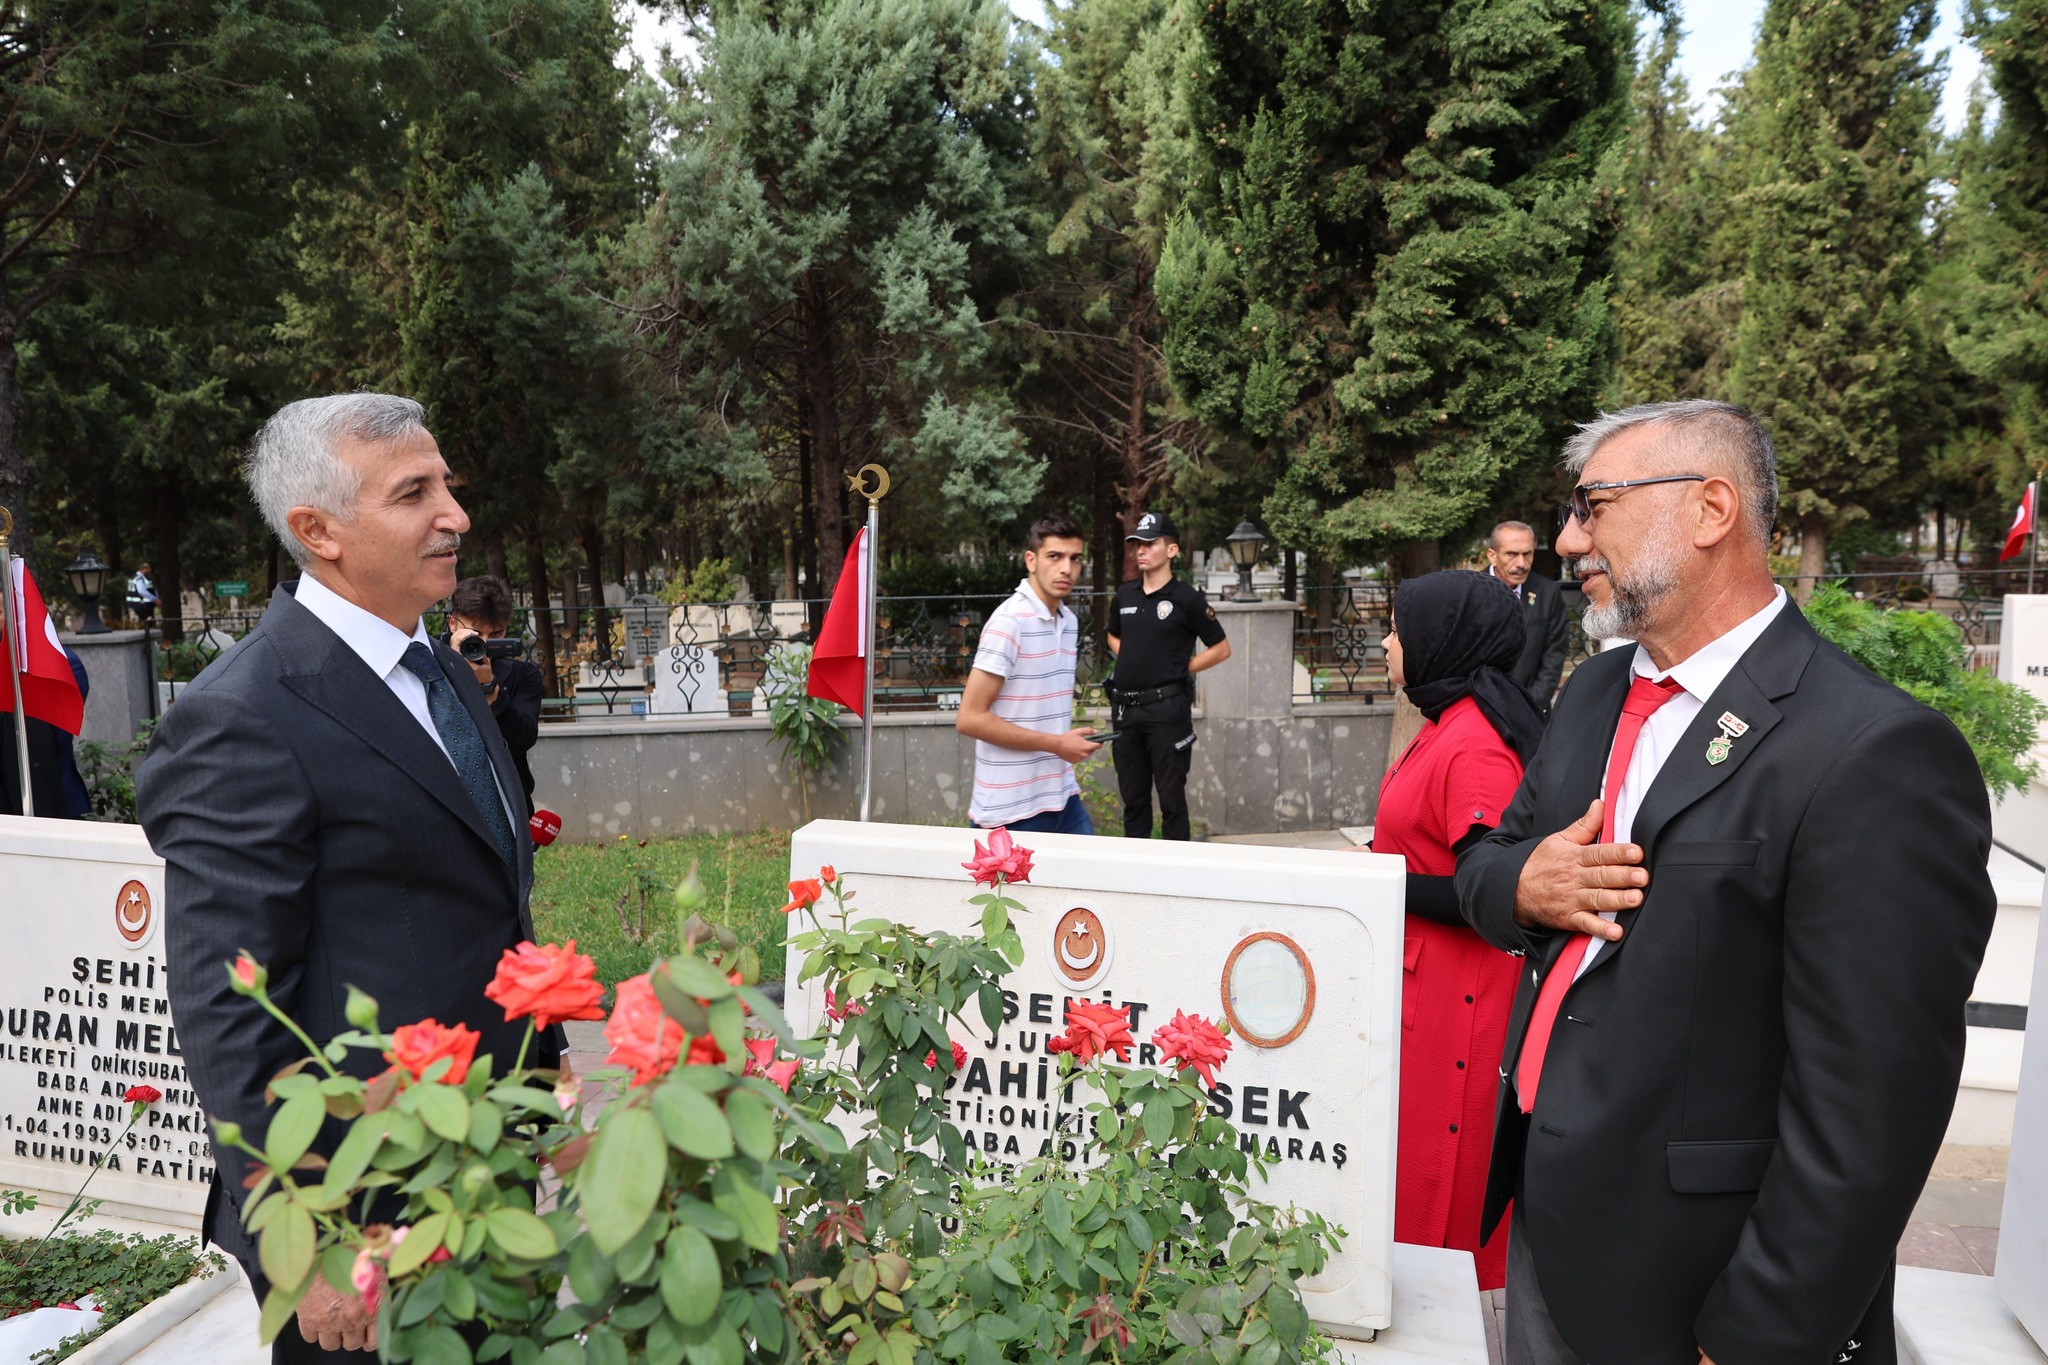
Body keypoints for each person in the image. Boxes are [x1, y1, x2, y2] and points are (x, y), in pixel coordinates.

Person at [1455, 400, 1995, 1365]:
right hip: (1548, 1225)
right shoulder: (1591, 693)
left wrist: (1757, 1338)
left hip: (1700, 1288)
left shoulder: (1873, 751)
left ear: (1710, 510)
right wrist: (1525, 888)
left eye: (1596, 503)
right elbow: (1490, 861)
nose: (1570, 536)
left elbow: (1869, 1114)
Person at [136, 394, 555, 1363]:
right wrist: (307, 1243)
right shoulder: (242, 717)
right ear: (316, 531)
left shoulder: (442, 673)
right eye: (415, 493)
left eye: (447, 484)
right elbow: (226, 1006)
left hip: (481, 1173)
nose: (454, 515)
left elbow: (485, 905)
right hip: (358, 1215)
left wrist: (550, 1069)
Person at [1369, 570, 1542, 1291]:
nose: (1386, 642)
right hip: (1424, 988)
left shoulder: (1472, 744)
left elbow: (1490, 892)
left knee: (1442, 1192)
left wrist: (1375, 882)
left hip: (1459, 1002)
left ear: (1442, 639)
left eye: (1399, 628)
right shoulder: (1446, 718)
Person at [955, 513, 1102, 833]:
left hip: (1062, 797)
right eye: (1055, 556)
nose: (1066, 568)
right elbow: (969, 718)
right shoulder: (1009, 623)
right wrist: (1057, 744)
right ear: (1031, 561)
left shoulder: (1068, 621)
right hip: (1011, 810)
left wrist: (1065, 744)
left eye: (1075, 558)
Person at [1105, 511, 1230, 840]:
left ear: (1172, 550)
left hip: (1167, 711)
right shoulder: (1125, 595)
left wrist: (1179, 667)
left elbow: (1221, 648)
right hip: (1126, 712)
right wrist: (1132, 656)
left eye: (1150, 543)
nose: (1140, 551)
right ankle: (1135, 878)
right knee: (1133, 802)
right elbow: (1112, 636)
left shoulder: (1186, 598)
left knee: (1172, 801)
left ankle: (1177, 881)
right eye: (1137, 545)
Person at [447, 575, 543, 815]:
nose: (485, 643)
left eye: (496, 634)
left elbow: (522, 739)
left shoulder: (523, 675)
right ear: (453, 625)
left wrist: (490, 690)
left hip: (507, 798)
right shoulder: (434, 666)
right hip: (453, 798)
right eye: (476, 633)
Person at [1484, 521, 1568, 716]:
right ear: (1492, 556)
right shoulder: (1469, 593)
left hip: (1531, 710)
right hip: (1479, 712)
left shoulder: (1548, 593)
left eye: (1527, 554)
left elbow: (1554, 655)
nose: (1521, 564)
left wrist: (1529, 705)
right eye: (1512, 554)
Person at [126, 562, 157, 627]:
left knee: (137, 624)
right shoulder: (139, 578)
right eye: (148, 569)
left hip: (132, 604)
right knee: (144, 623)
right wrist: (154, 599)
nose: (150, 571)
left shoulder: (133, 577)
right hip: (138, 605)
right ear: (143, 569)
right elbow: (142, 591)